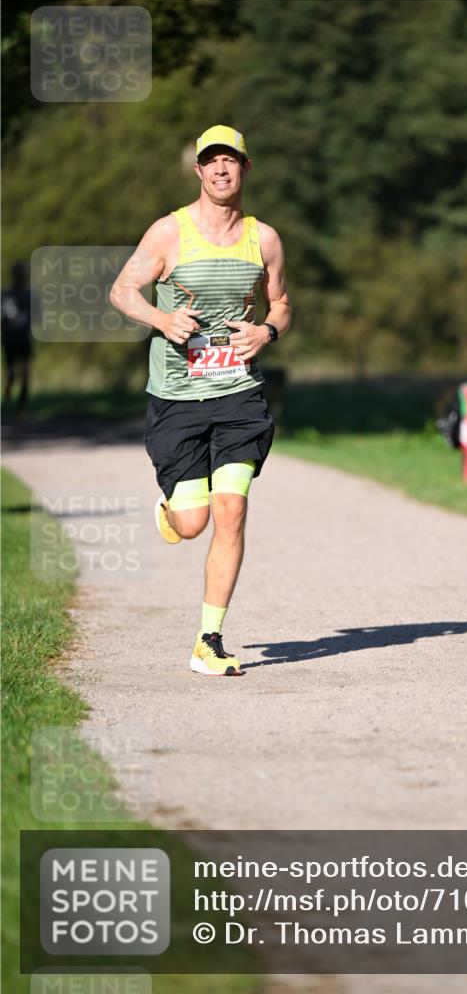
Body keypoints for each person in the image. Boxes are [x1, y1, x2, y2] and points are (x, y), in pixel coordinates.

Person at [111, 124, 291, 676]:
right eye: (210, 161)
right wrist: (162, 319)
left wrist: (267, 332)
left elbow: (281, 303)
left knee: (231, 510)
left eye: (230, 161)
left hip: (238, 393)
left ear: (245, 168)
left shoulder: (264, 239)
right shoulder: (169, 232)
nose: (220, 170)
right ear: (198, 171)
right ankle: (171, 511)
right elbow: (122, 290)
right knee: (192, 523)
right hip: (179, 397)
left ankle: (208, 640)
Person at [2, 261, 34, 412]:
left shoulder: (30, 295)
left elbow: (38, 318)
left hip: (25, 338)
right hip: (10, 339)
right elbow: (3, 319)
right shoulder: (6, 295)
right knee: (11, 373)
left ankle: (22, 404)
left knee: (26, 372)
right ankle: (8, 391)